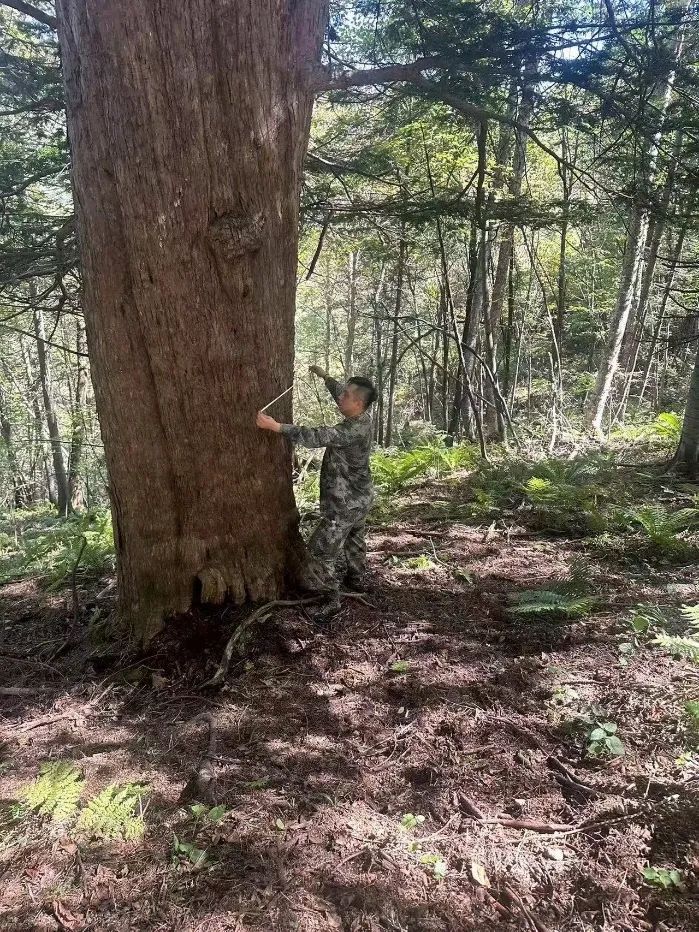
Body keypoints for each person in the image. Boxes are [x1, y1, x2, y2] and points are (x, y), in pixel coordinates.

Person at [256, 366, 377, 620]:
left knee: (321, 552)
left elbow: (317, 435)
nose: (340, 396)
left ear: (357, 403)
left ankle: (330, 598)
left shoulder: (351, 431)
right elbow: (339, 393)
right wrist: (325, 377)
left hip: (345, 504)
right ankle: (357, 580)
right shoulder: (361, 415)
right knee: (355, 540)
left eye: (346, 395)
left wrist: (276, 427)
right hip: (361, 498)